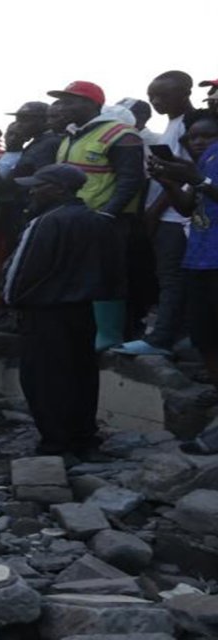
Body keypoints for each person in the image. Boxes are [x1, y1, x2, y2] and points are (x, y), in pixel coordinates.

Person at [4, 165, 123, 456]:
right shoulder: (100, 221)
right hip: (84, 311)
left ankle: (56, 443)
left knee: (43, 380)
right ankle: (84, 438)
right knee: (81, 375)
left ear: (59, 189)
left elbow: (19, 273)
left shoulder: (45, 223)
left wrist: (12, 302)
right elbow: (113, 271)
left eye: (38, 185)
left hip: (44, 313)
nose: (31, 191)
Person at [49, 80, 145, 351]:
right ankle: (82, 331)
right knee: (76, 275)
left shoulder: (120, 133)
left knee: (105, 275)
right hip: (72, 218)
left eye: (70, 101)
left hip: (106, 220)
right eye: (62, 101)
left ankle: (110, 335)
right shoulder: (71, 135)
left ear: (92, 104)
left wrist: (107, 214)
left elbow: (131, 180)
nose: (63, 106)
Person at [147, 115, 218, 450]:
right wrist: (168, 182)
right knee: (204, 334)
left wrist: (199, 179)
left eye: (207, 135)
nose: (198, 141)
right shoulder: (202, 163)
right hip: (199, 257)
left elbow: (205, 189)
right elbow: (189, 208)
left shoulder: (204, 167)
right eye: (192, 137)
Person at [115, 71, 198, 357]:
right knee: (173, 277)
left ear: (185, 92)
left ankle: (161, 339)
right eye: (152, 95)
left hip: (174, 215)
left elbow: (185, 175)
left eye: (163, 95)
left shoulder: (189, 124)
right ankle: (180, 335)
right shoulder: (173, 124)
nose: (156, 101)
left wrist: (154, 211)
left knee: (171, 277)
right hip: (166, 211)